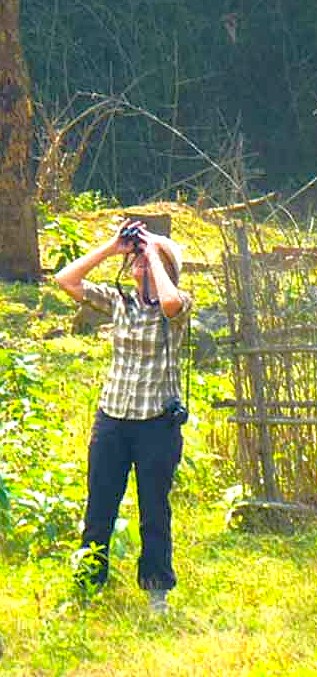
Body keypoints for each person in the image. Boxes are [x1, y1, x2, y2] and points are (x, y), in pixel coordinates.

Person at [54, 218, 192, 612]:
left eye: (143, 262)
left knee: (153, 509)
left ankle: (156, 591)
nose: (138, 268)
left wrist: (156, 253)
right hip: (112, 419)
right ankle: (88, 583)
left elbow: (168, 302)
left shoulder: (179, 304)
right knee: (99, 505)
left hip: (157, 423)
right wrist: (113, 247)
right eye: (135, 263)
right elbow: (66, 280)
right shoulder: (119, 302)